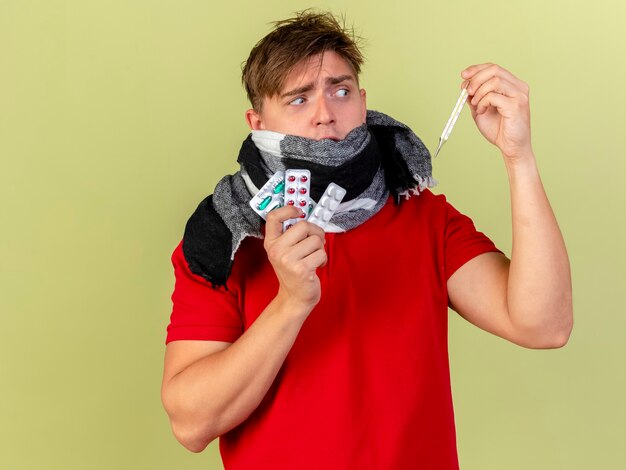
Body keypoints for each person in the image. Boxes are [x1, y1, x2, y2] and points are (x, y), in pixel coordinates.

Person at [161, 10, 573, 469]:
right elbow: (191, 424)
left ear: (362, 101)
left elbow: (544, 325)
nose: (324, 115)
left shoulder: (424, 217)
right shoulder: (221, 239)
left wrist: (519, 156)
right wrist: (291, 303)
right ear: (257, 123)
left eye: (340, 91)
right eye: (298, 99)